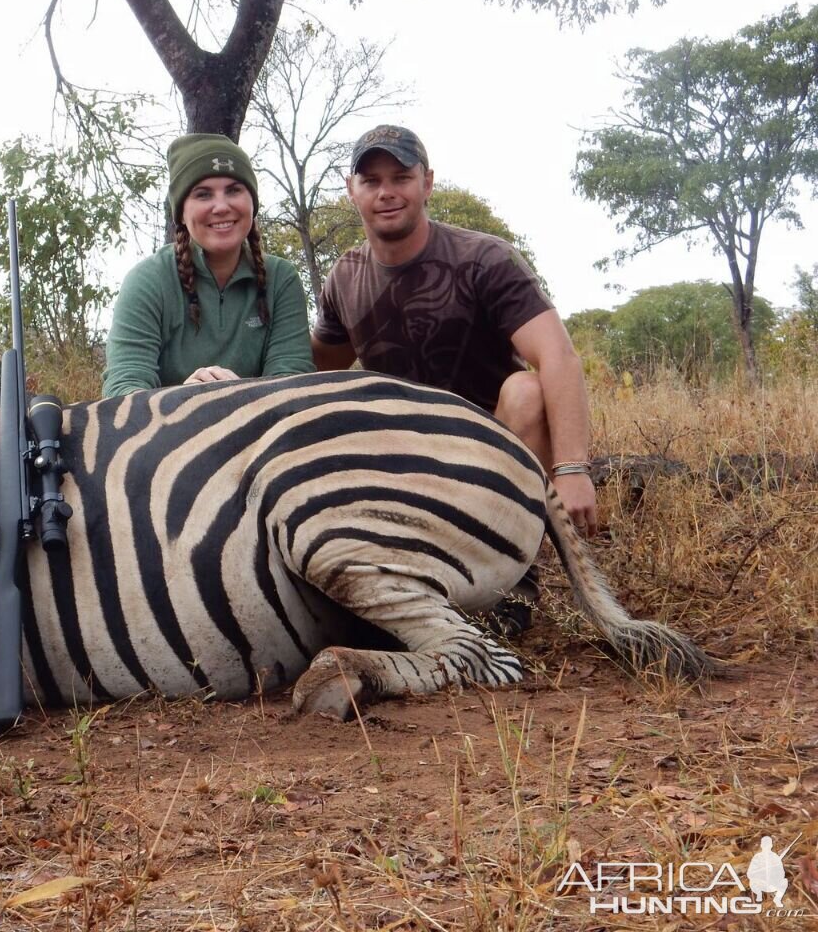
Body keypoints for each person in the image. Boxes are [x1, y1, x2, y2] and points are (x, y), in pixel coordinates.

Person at [312, 125, 597, 626]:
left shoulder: (485, 258)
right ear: (351, 190)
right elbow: (311, 370)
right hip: (401, 462)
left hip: (489, 458)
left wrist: (571, 469)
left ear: (428, 183)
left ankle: (516, 579)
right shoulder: (344, 276)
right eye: (371, 180)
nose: (387, 192)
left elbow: (558, 358)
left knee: (527, 392)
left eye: (401, 176)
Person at [103, 133, 314, 397]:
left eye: (234, 190)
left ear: (252, 202)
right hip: (169, 433)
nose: (221, 206)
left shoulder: (281, 279)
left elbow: (293, 382)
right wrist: (186, 400)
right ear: (181, 211)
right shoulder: (148, 280)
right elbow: (122, 388)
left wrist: (238, 396)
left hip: (264, 431)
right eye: (203, 195)